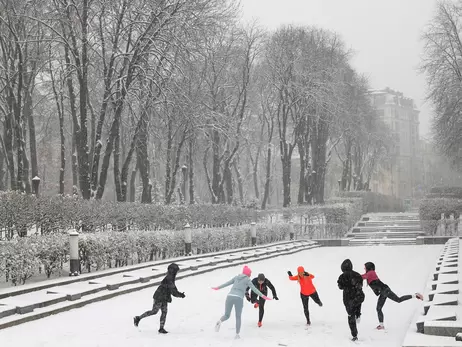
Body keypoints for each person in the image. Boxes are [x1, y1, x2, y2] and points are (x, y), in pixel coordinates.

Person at [212, 265, 271, 339]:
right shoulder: (247, 280)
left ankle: (220, 321)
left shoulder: (236, 277)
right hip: (238, 298)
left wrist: (217, 287)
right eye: (250, 274)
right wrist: (263, 296)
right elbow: (255, 290)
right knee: (238, 317)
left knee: (227, 315)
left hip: (229, 296)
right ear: (248, 274)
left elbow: (227, 283)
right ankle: (237, 335)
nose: (250, 275)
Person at [362, 261, 423, 330]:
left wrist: (353, 275)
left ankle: (415, 295)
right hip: (383, 292)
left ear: (369, 267)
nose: (364, 268)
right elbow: (363, 276)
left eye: (365, 267)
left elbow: (363, 277)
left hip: (385, 290)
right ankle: (381, 325)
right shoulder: (370, 273)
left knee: (398, 300)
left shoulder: (371, 272)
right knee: (378, 308)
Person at [133, 263, 185, 334]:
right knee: (154, 311)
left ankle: (161, 328)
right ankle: (138, 318)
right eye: (176, 271)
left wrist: (179, 294)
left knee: (164, 312)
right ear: (173, 271)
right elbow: (173, 291)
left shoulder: (170, 277)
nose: (176, 272)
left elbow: (173, 290)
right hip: (159, 297)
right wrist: (180, 295)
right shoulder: (169, 278)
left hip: (164, 297)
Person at [337, 259, 365, 341]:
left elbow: (340, 287)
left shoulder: (342, 276)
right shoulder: (357, 275)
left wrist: (346, 285)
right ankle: (358, 314)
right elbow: (360, 285)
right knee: (357, 304)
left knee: (350, 315)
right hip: (359, 296)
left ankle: (354, 335)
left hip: (348, 298)